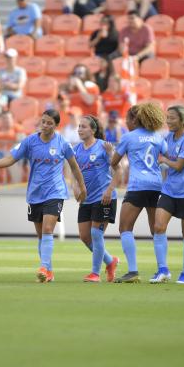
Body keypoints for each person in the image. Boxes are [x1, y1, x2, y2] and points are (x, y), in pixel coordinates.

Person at [0, 109, 87, 283]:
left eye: (50, 123)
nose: (46, 125)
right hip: (35, 193)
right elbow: (10, 159)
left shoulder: (62, 143)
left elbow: (74, 165)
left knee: (48, 230)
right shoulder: (30, 141)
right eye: (44, 122)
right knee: (41, 235)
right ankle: (48, 270)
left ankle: (43, 268)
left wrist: (81, 186)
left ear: (56, 126)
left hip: (55, 192)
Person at [110, 103, 167, 283]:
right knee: (156, 230)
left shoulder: (129, 137)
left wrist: (111, 153)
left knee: (125, 228)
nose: (126, 122)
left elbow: (114, 161)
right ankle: (162, 270)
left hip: (137, 185)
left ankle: (133, 271)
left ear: (135, 119)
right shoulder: (158, 137)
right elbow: (169, 156)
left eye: (127, 119)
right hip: (156, 185)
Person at [153, 105, 184, 285]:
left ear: (182, 120)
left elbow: (179, 165)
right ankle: (163, 270)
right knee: (158, 227)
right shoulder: (169, 137)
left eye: (172, 118)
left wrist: (164, 160)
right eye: (167, 118)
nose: (168, 121)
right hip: (169, 191)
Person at [75, 115, 120, 282]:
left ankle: (95, 273)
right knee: (85, 237)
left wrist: (109, 190)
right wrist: (75, 187)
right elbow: (74, 171)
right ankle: (110, 261)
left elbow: (119, 171)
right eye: (79, 126)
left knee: (95, 233)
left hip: (104, 198)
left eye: (84, 126)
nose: (80, 129)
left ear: (93, 130)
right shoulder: (77, 150)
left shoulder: (104, 147)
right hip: (86, 199)